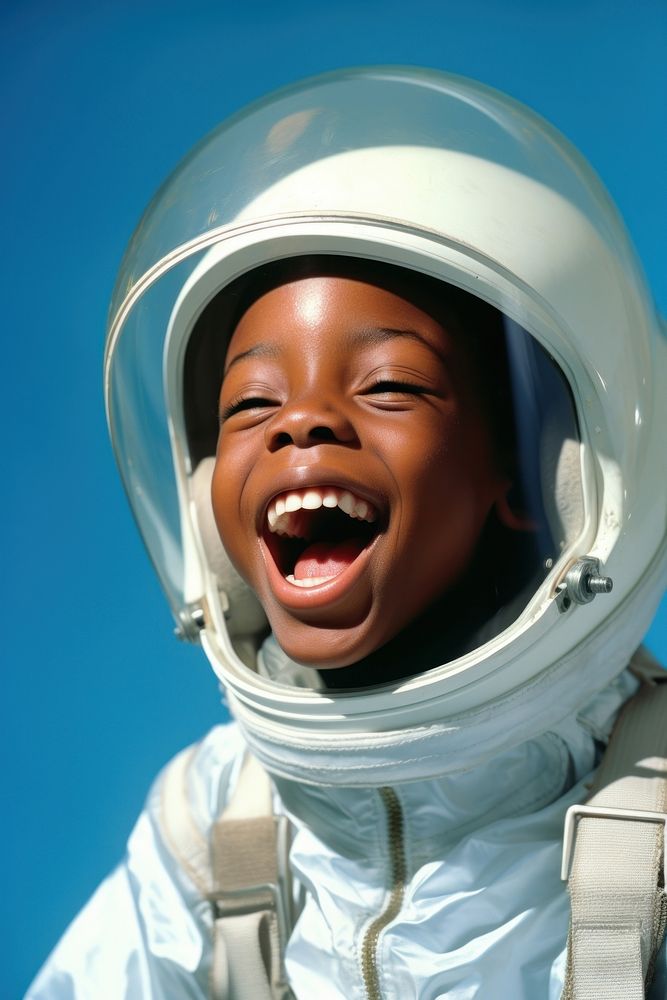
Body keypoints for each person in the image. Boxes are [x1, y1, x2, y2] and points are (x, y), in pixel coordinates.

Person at [28, 67, 666, 999]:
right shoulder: (212, 825)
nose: (300, 424)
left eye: (387, 385)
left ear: (539, 479)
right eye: (251, 402)